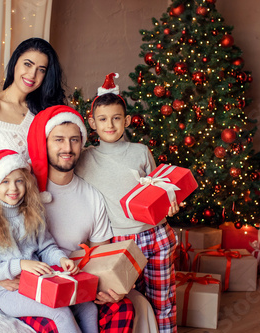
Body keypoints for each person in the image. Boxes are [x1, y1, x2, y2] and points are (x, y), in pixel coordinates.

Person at [74, 73, 179, 333]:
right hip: (120, 242)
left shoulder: (140, 151)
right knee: (129, 299)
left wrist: (170, 202)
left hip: (155, 235)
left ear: (127, 120)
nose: (110, 124)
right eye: (102, 119)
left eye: (116, 118)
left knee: (163, 298)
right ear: (92, 123)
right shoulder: (85, 159)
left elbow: (157, 189)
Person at [26, 105, 136, 332]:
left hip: (77, 283)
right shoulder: (23, 190)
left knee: (122, 308)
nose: (67, 148)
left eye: (74, 140)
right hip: (36, 286)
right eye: (58, 140)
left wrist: (108, 287)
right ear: (45, 143)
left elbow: (99, 257)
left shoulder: (92, 196)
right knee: (55, 322)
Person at [0, 149, 98, 333]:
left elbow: (46, 247)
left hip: (38, 283)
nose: (13, 188)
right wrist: (21, 265)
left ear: (26, 183)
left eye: (18, 181)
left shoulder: (32, 214)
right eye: (5, 181)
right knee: (61, 312)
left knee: (88, 307)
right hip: (6, 292)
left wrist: (61, 259)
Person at [0, 37, 66, 237]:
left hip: (34, 217)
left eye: (41, 69)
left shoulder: (42, 114)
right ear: (15, 62)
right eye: (28, 64)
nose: (32, 74)